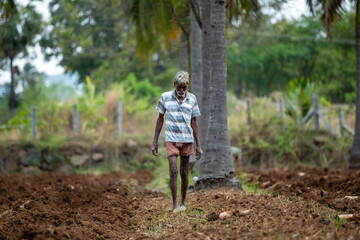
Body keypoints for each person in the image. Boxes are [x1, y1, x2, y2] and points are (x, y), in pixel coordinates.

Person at [151, 70, 203, 213]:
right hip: (171, 139)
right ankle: (174, 205)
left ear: (187, 86)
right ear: (174, 84)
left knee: (184, 172)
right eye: (178, 87)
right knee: (173, 170)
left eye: (184, 87)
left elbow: (194, 123)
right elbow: (160, 119)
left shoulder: (192, 99)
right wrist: (154, 142)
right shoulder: (165, 97)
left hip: (187, 139)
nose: (181, 90)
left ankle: (183, 202)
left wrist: (198, 145)